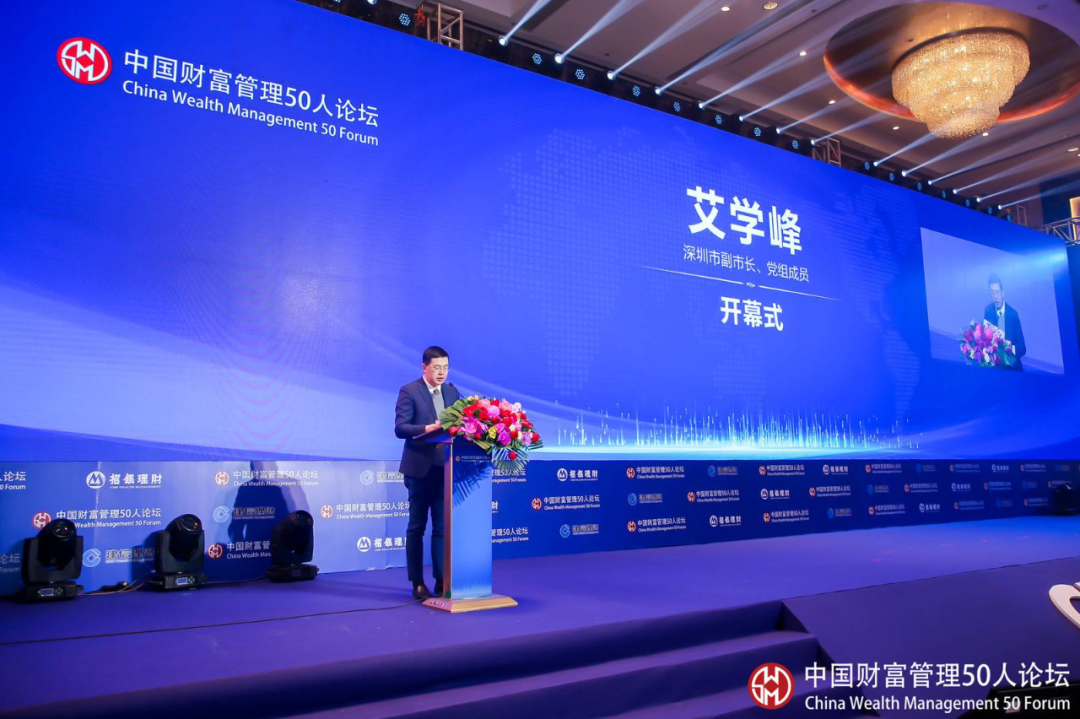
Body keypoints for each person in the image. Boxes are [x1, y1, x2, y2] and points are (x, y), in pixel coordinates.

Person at [394, 346, 460, 599]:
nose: (442, 372)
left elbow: (461, 423)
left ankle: (442, 580)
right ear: (425, 367)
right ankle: (417, 582)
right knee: (417, 527)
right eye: (436, 367)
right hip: (419, 469)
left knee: (442, 528)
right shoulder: (410, 391)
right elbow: (400, 428)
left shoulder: (452, 392)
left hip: (445, 468)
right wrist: (427, 428)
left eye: (445, 367)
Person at [983, 273, 1026, 371]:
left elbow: (1022, 348)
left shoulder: (1013, 315)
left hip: (1011, 369)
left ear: (1003, 292)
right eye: (992, 292)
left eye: (997, 292)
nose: (995, 296)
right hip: (994, 368)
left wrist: (1009, 349)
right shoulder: (988, 310)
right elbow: (985, 339)